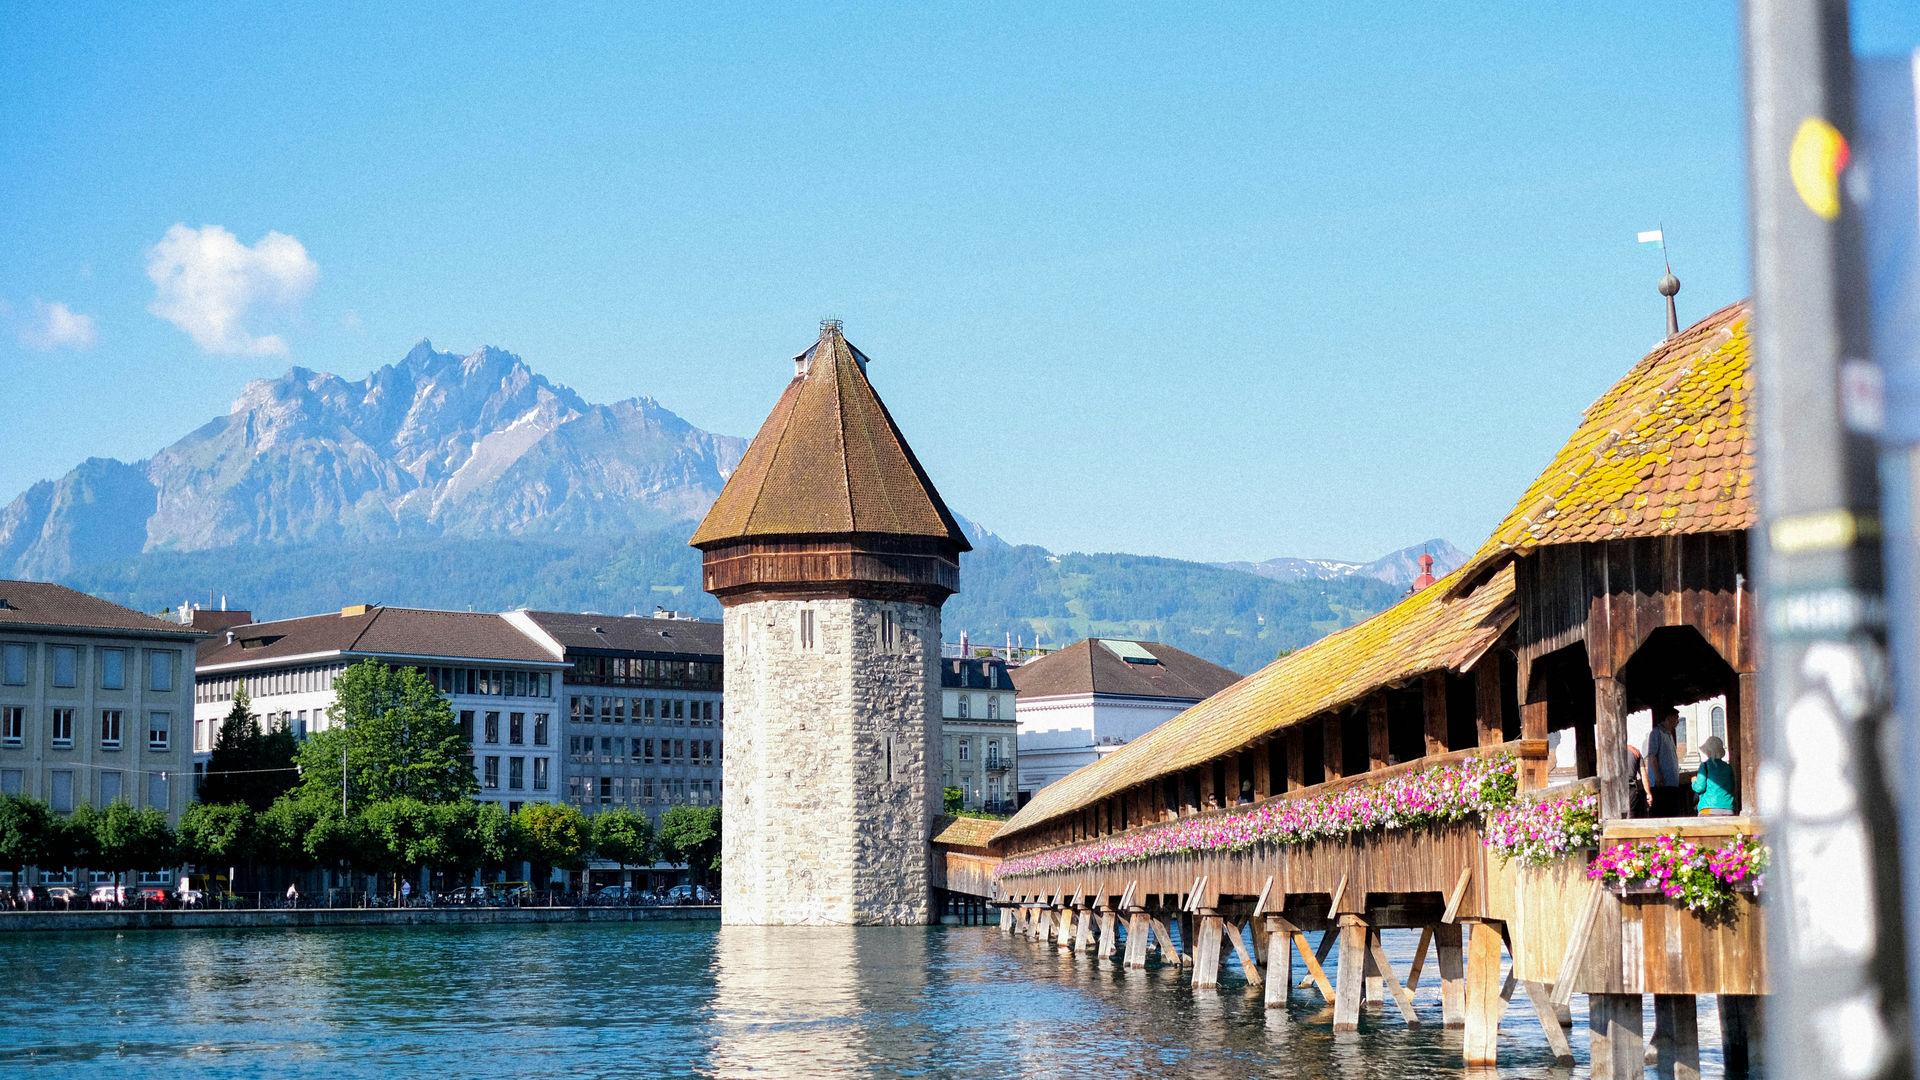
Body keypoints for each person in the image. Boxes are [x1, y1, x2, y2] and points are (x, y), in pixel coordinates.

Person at [1643, 706, 1683, 817]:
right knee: (1661, 813)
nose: (1677, 722)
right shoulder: (1656, 733)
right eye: (1676, 719)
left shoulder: (1669, 735)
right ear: (1668, 718)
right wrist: (1658, 776)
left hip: (1671, 783)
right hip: (1662, 784)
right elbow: (1652, 756)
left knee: (1672, 813)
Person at [1691, 735, 1736, 815]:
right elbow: (1732, 787)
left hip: (1708, 809)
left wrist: (1694, 782)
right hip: (1728, 809)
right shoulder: (1728, 767)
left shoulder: (1705, 766)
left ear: (1708, 751)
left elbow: (1700, 787)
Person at [1625, 745, 1650, 818]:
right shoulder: (1635, 751)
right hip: (1631, 789)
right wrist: (1648, 793)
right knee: (1631, 815)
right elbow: (1643, 774)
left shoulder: (1612, 752)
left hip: (1616, 789)